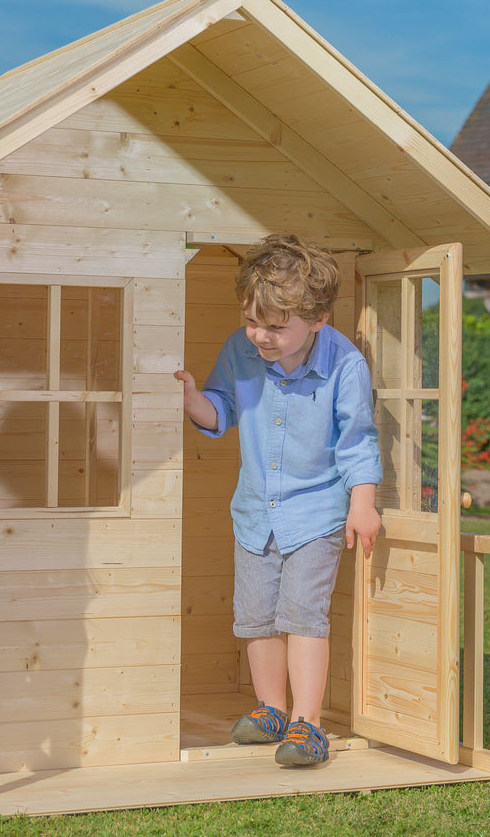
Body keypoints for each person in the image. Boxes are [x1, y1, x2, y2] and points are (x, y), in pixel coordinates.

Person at [175, 234, 381, 767]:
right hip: (253, 514)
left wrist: (363, 503)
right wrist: (195, 400)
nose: (259, 335)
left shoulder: (345, 365)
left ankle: (308, 726)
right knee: (256, 618)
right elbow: (221, 412)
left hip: (315, 514)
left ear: (317, 319)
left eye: (273, 326)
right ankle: (270, 710)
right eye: (252, 321)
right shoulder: (239, 350)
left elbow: (357, 441)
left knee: (303, 617)